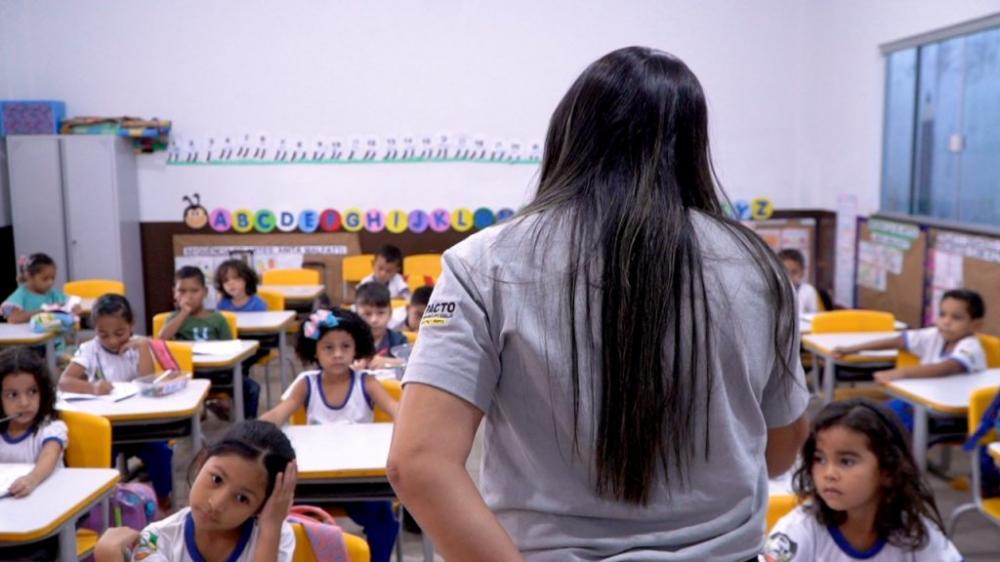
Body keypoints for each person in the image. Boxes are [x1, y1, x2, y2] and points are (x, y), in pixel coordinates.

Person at [387, 47, 809, 561]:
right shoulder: (760, 268)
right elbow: (779, 452)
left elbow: (418, 463)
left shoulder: (484, 263)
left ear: (569, 133)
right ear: (693, 145)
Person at [261, 308, 399, 562]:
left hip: (359, 476)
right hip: (314, 479)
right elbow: (281, 412)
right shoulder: (306, 383)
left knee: (384, 519)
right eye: (328, 348)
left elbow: (396, 411)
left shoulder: (367, 382)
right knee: (282, 515)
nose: (338, 354)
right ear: (314, 350)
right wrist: (254, 429)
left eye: (345, 346)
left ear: (356, 348)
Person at [762, 399, 962, 561]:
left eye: (846, 461)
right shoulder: (797, 533)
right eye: (820, 459)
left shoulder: (914, 533)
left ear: (888, 471)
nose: (829, 473)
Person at [94, 420, 297, 562]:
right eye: (216, 479)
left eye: (242, 498)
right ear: (201, 462)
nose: (216, 504)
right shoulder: (156, 539)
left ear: (261, 508)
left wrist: (271, 526)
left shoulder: (273, 536)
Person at [59, 294, 173, 509]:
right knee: (97, 460)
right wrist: (93, 388)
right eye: (103, 334)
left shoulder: (139, 345)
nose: (112, 341)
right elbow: (64, 381)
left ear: (131, 325)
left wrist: (143, 348)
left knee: (160, 451)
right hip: (106, 426)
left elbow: (148, 381)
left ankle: (163, 500)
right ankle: (102, 504)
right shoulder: (90, 349)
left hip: (139, 424)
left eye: (119, 333)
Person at [832, 289, 986, 431]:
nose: (946, 322)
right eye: (942, 314)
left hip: (953, 414)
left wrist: (900, 373)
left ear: (975, 325)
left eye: (956, 317)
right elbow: (897, 341)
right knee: (877, 419)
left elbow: (949, 367)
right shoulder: (935, 335)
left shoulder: (971, 347)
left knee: (884, 423)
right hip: (923, 403)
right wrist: (852, 349)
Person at [159, 266, 260, 420]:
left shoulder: (217, 319)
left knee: (252, 388)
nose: (188, 296)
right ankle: (197, 415)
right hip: (188, 374)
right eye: (182, 291)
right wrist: (184, 313)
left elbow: (231, 349)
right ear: (174, 293)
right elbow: (162, 338)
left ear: (205, 292)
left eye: (194, 291)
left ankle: (248, 426)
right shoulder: (174, 319)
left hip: (218, 372)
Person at [0, 347, 66, 498]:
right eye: (13, 395)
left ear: (43, 392)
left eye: (32, 392)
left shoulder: (51, 428)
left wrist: (32, 479)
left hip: (50, 500)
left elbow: (50, 454)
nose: (24, 403)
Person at [1, 253, 79, 323]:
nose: (50, 282)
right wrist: (42, 312)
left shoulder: (53, 293)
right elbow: (14, 318)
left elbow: (72, 302)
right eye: (45, 279)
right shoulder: (21, 295)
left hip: (52, 333)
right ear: (29, 277)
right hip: (26, 334)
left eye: (53, 278)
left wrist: (74, 307)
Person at [354, 282, 407, 369]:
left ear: (390, 313)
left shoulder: (398, 340)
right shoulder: (349, 340)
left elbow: (408, 362)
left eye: (381, 313)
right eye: (367, 314)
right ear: (356, 315)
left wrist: (387, 362)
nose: (374, 320)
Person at [778, 249, 819, 316]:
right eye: (784, 272)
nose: (789, 276)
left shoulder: (809, 291)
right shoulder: (772, 291)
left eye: (794, 272)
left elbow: (814, 316)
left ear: (802, 273)